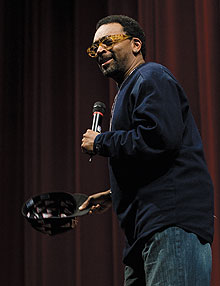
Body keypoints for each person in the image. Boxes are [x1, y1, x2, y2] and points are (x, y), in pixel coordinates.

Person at [80, 15, 214, 285]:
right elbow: (153, 156)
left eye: (108, 41)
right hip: (143, 233)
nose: (100, 51)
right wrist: (112, 193)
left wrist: (101, 141)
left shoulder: (150, 76)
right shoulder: (131, 87)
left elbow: (158, 139)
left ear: (136, 44)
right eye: (95, 47)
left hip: (169, 224)